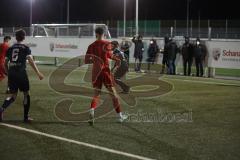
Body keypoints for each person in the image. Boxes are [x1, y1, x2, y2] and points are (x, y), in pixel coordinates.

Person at [85, 27, 127, 125]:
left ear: (96, 34)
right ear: (104, 34)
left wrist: (95, 61)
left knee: (96, 94)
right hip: (105, 72)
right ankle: (120, 116)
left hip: (95, 73)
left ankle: (92, 110)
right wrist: (117, 61)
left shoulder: (91, 46)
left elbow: (86, 60)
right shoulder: (107, 44)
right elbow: (110, 56)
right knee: (114, 95)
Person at [0, 29, 44, 122]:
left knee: (13, 95)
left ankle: (2, 109)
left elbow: (5, 63)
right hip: (21, 73)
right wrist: (38, 73)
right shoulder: (25, 48)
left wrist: (8, 73)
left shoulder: (10, 48)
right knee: (26, 94)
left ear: (16, 37)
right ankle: (26, 117)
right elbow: (31, 61)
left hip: (12, 72)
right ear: (24, 37)